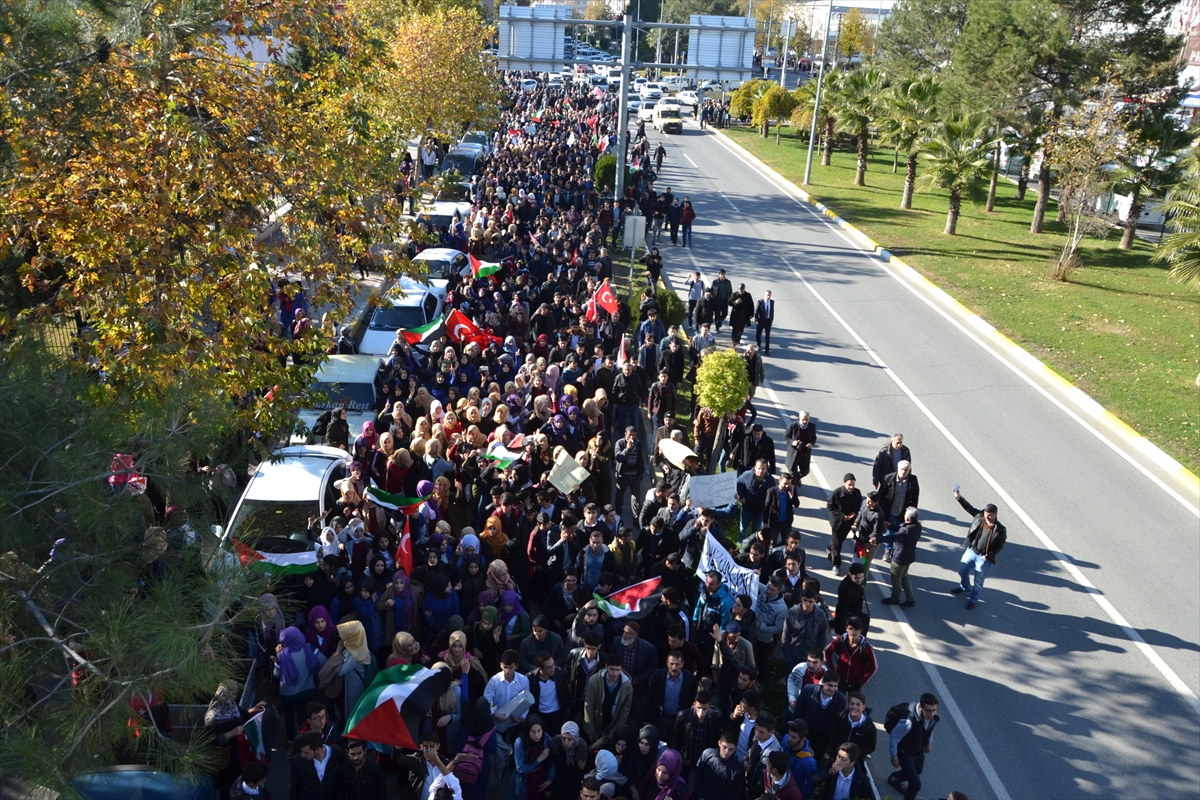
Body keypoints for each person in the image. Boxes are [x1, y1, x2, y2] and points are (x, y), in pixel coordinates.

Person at [951, 488, 1008, 610]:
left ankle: (973, 599)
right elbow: (969, 508)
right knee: (962, 570)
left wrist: (990, 555)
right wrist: (958, 497)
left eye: (989, 515)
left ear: (995, 515)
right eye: (986, 514)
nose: (986, 517)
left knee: (979, 580)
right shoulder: (979, 517)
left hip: (984, 557)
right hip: (971, 551)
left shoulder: (1000, 529)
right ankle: (965, 587)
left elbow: (1000, 546)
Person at [887, 694, 940, 800]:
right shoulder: (908, 721)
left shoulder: (931, 717)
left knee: (918, 770)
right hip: (905, 753)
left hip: (917, 750)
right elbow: (894, 737)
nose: (932, 714)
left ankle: (895, 778)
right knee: (915, 785)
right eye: (929, 710)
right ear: (921, 708)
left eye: (934, 710)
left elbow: (930, 728)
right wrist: (894, 757)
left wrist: (928, 743)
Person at [583, 653, 633, 751]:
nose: (615, 673)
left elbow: (624, 713)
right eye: (612, 669)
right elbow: (588, 706)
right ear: (606, 667)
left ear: (622, 668)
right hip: (595, 720)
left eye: (618, 670)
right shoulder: (594, 681)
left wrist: (612, 734)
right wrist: (590, 730)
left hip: (612, 722)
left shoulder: (627, 687)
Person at [875, 507, 921, 608]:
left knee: (896, 579)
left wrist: (877, 539)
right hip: (909, 557)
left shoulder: (905, 531)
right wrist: (890, 526)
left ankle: (895, 598)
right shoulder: (917, 526)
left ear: (907, 519)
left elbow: (892, 537)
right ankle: (910, 599)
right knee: (904, 576)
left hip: (899, 559)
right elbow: (901, 530)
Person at [795, 672, 845, 761]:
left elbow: (839, 722)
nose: (833, 689)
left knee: (815, 762)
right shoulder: (809, 690)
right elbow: (798, 711)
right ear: (823, 682)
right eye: (830, 685)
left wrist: (831, 741)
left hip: (822, 740)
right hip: (805, 735)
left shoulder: (840, 700)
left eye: (835, 686)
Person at [822, 617, 876, 694]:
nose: (853, 632)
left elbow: (873, 667)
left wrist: (860, 682)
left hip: (856, 684)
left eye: (856, 629)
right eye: (851, 628)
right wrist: (833, 671)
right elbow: (826, 653)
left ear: (860, 630)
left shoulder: (866, 647)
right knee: (838, 704)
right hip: (840, 681)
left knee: (855, 705)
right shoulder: (840, 640)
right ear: (846, 628)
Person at [486, 649, 532, 734]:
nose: (507, 671)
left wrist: (522, 717)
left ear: (516, 666)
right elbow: (485, 701)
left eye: (510, 668)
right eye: (505, 667)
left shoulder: (523, 680)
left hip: (515, 724)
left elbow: (526, 701)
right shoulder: (494, 681)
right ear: (501, 665)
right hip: (497, 723)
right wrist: (493, 714)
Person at [289, 730, 346, 800]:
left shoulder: (337, 753)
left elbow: (341, 780)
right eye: (302, 751)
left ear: (318, 750)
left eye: (306, 753)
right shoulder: (297, 761)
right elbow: (294, 788)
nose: (302, 755)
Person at [826, 691, 877, 766]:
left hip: (855, 763)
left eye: (858, 704)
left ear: (863, 707)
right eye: (852, 704)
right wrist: (839, 748)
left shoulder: (869, 727)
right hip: (836, 757)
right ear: (848, 704)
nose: (854, 707)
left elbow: (870, 747)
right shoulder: (840, 717)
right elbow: (832, 732)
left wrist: (853, 755)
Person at [780, 590, 827, 667]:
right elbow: (785, 634)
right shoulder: (792, 612)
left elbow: (823, 637)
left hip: (811, 658)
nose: (807, 604)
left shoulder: (821, 615)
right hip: (793, 655)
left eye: (810, 601)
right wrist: (787, 655)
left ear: (815, 600)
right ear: (801, 598)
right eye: (805, 600)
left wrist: (817, 654)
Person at [693, 731, 745, 800]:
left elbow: (735, 794)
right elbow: (698, 776)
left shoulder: (738, 769)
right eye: (724, 747)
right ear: (719, 743)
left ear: (735, 748)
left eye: (731, 749)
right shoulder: (707, 754)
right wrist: (700, 796)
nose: (726, 752)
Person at [825, 475, 861, 573]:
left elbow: (859, 505)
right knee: (837, 545)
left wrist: (854, 513)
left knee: (840, 540)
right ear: (844, 483)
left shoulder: (857, 493)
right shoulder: (837, 493)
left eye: (853, 484)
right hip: (837, 523)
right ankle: (836, 564)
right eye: (849, 484)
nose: (851, 487)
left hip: (848, 523)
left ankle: (829, 547)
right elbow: (830, 506)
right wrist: (842, 516)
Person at [832, 564, 867, 636]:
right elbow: (842, 609)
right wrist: (843, 627)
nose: (859, 580)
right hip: (850, 618)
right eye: (856, 578)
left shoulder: (853, 582)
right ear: (850, 574)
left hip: (855, 614)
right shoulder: (846, 590)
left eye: (861, 577)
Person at [783, 412, 816, 484]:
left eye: (807, 419)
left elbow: (814, 437)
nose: (805, 421)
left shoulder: (812, 426)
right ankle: (793, 488)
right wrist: (793, 442)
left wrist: (811, 444)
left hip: (804, 454)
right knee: (793, 472)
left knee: (805, 471)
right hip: (794, 454)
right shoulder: (792, 426)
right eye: (803, 419)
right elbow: (786, 437)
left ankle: (796, 479)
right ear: (799, 418)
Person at [753, 291, 774, 355]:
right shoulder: (760, 302)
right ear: (764, 295)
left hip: (768, 321)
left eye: (769, 295)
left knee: (767, 335)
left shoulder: (772, 302)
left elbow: (772, 311)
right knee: (759, 334)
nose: (768, 297)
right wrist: (756, 320)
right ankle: (758, 344)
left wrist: (772, 319)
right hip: (761, 321)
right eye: (767, 295)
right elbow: (756, 311)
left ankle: (767, 349)